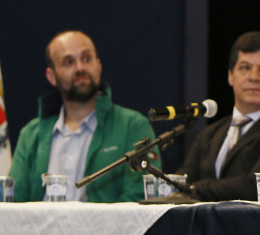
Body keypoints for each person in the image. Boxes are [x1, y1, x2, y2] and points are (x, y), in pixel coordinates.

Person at [9, 31, 159, 202]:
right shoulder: (31, 134)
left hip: (109, 229)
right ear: (52, 76)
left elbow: (140, 196)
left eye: (86, 59)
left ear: (99, 66)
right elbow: (14, 204)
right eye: (68, 62)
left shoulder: (133, 126)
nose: (80, 67)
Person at [177, 31, 260, 203]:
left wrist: (196, 188)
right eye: (245, 68)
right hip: (204, 228)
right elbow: (181, 183)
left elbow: (255, 188)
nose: (254, 77)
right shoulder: (209, 134)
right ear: (230, 76)